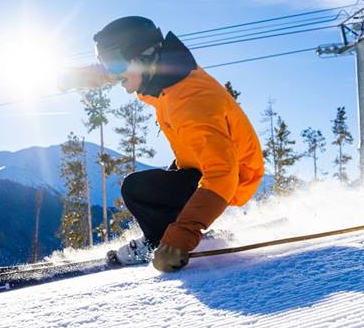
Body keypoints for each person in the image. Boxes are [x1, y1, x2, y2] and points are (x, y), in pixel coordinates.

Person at [63, 16, 264, 272]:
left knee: (138, 189)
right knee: (160, 184)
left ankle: (162, 242)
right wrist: (78, 77)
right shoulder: (167, 77)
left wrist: (181, 238)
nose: (112, 72)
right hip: (201, 166)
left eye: (114, 62)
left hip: (232, 177)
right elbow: (113, 72)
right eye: (108, 63)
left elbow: (223, 174)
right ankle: (163, 235)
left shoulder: (191, 100)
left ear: (145, 57)